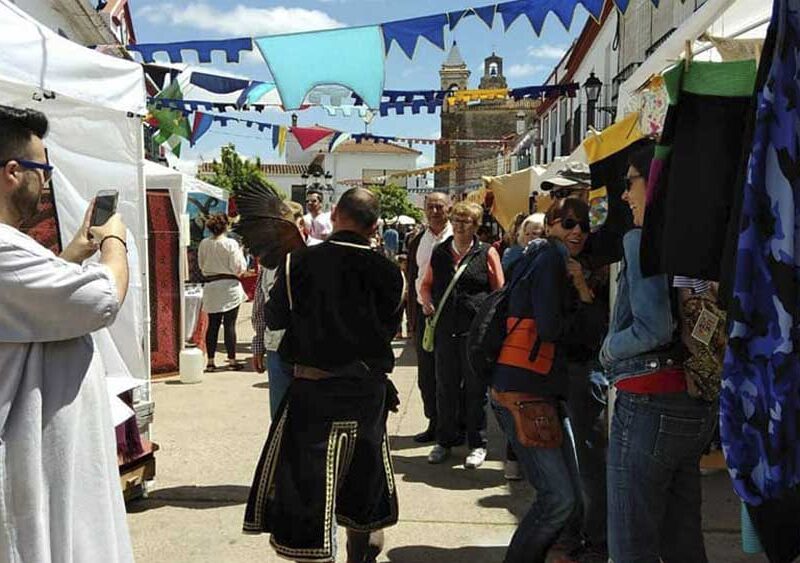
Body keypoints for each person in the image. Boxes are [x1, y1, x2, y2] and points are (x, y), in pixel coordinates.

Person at [243, 187, 405, 563]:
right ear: (376, 226)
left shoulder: (295, 263)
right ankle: (358, 552)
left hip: (314, 392)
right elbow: (389, 330)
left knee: (306, 491)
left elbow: (277, 317)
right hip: (367, 394)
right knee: (362, 482)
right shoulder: (392, 273)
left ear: (334, 214)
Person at [0, 105, 133, 561]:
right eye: (44, 169)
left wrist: (73, 254)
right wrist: (115, 241)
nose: (48, 182)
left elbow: (30, 301)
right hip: (28, 471)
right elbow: (103, 300)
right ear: (13, 172)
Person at [601, 143, 716, 563]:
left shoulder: (643, 240)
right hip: (695, 399)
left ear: (653, 183)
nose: (624, 195)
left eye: (629, 182)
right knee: (683, 538)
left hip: (649, 400)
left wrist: (609, 349)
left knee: (632, 544)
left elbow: (654, 327)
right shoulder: (700, 233)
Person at [489, 198, 594, 563]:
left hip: (535, 388)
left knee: (570, 498)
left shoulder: (535, 256)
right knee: (559, 499)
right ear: (550, 225)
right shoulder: (550, 258)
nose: (577, 230)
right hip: (525, 389)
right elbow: (550, 328)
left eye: (583, 224)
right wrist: (581, 301)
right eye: (567, 223)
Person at [420, 201, 505, 468]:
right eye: (456, 220)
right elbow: (426, 285)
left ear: (475, 225)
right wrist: (426, 302)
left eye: (464, 221)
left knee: (475, 390)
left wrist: (492, 325)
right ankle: (444, 441)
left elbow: (499, 290)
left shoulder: (486, 253)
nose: (458, 225)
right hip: (446, 329)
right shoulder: (440, 252)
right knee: (444, 387)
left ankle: (477, 443)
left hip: (475, 333)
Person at [406, 192, 453, 443]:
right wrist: (411, 319)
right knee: (426, 375)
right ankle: (433, 422)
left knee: (448, 376)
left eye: (439, 206)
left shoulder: (457, 237)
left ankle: (451, 426)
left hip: (450, 318)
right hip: (424, 316)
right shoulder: (417, 240)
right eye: (430, 207)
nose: (434, 211)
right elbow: (412, 277)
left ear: (449, 208)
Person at [252, 201, 305, 416]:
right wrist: (258, 344)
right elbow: (260, 302)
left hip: (310, 346)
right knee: (280, 414)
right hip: (276, 344)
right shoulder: (269, 259)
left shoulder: (316, 253)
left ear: (300, 223)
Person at [198, 213, 248, 371]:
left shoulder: (204, 243)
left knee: (212, 325)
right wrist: (241, 253)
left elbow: (201, 264)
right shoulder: (231, 243)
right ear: (226, 226)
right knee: (229, 324)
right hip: (229, 286)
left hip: (211, 286)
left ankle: (211, 361)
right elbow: (238, 268)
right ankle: (232, 360)